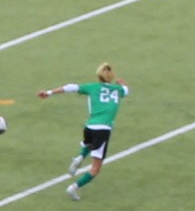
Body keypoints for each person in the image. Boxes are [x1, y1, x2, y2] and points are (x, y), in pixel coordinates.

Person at [37, 62, 130, 201]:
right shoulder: (118, 90)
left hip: (89, 127)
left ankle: (80, 157)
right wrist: (122, 83)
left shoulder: (92, 87)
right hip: (103, 130)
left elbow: (71, 87)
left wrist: (49, 92)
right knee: (95, 169)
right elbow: (126, 90)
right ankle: (74, 187)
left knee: (90, 143)